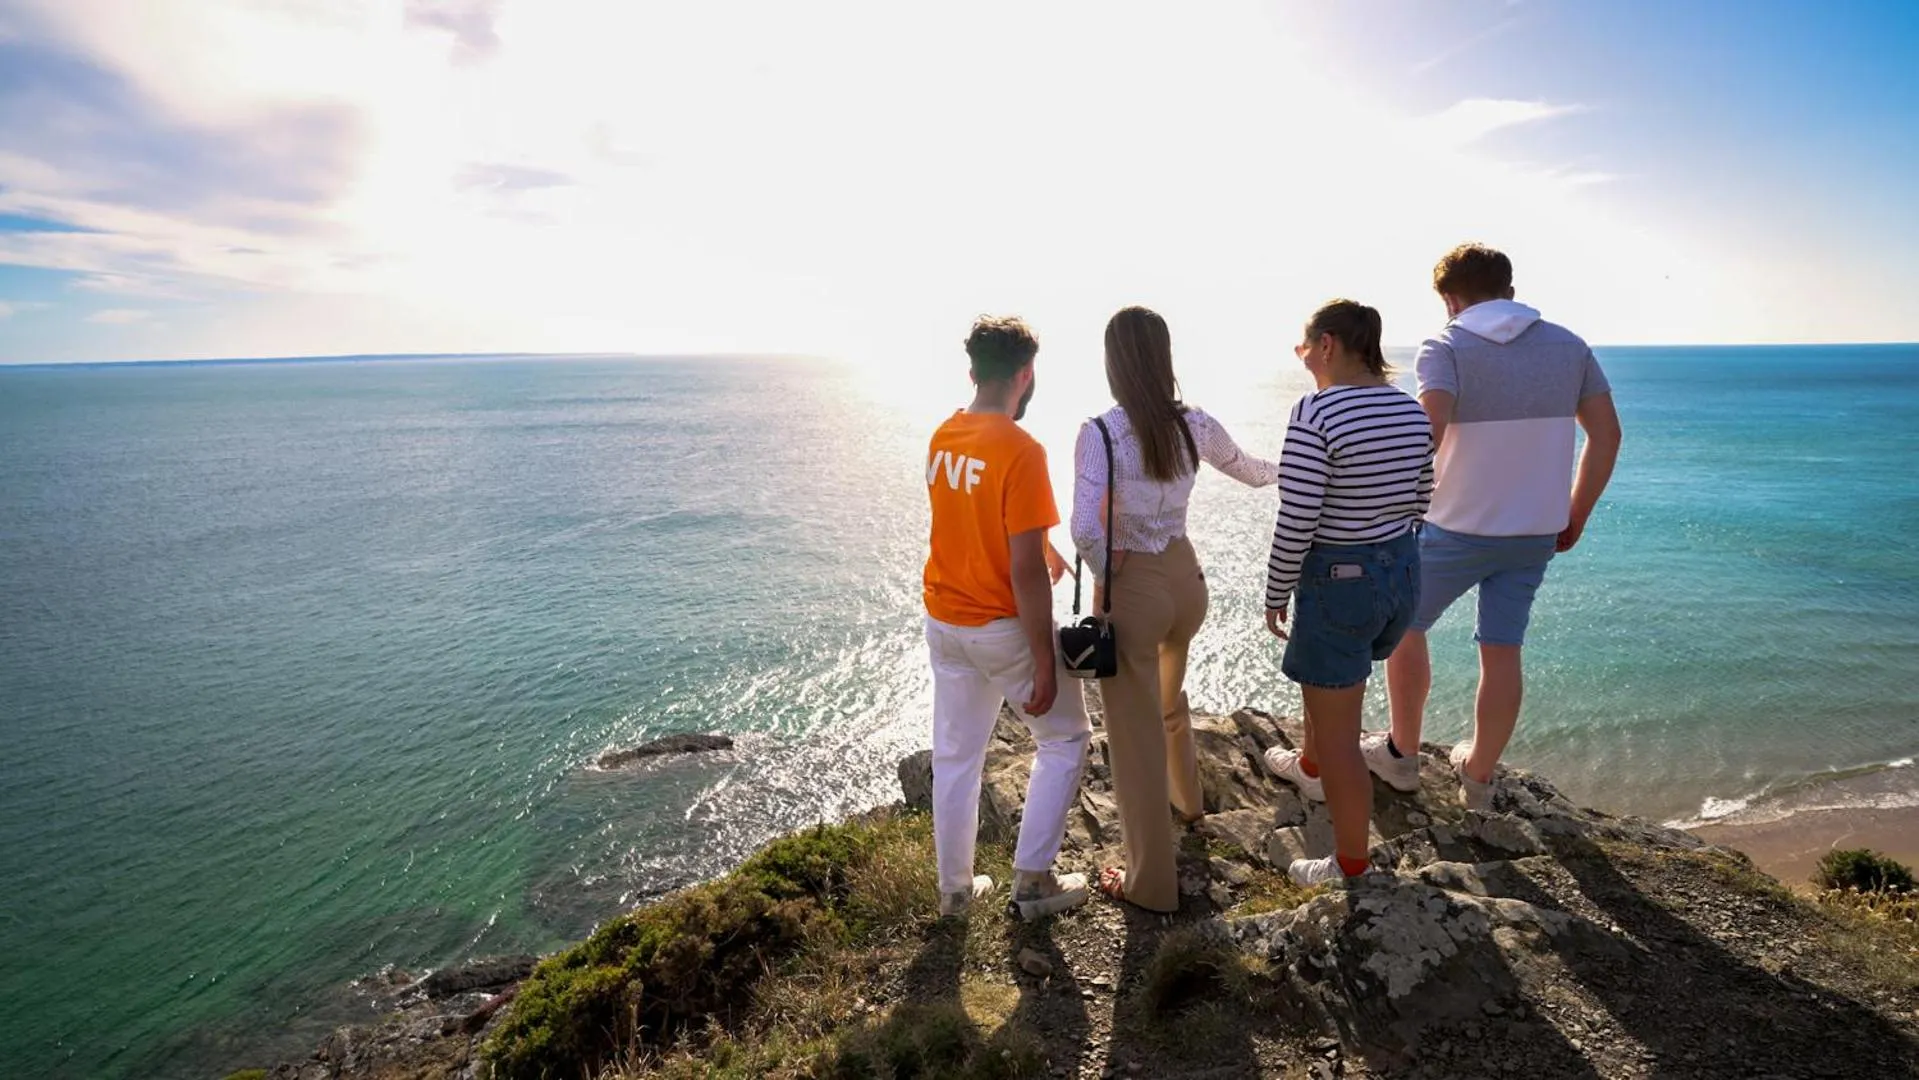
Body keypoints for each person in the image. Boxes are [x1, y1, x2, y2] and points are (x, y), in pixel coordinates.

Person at [1369, 244, 1622, 810]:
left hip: (1454, 524)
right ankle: (1479, 778)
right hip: (1535, 530)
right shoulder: (1569, 345)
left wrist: (1386, 507)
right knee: (1503, 648)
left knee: (1406, 628)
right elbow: (1607, 437)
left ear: (1449, 298)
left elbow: (1425, 434)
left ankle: (1401, 756)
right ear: (1509, 289)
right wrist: (1574, 512)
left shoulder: (1446, 344)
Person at [1072, 305, 1278, 912]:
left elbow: (1086, 529)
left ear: (1113, 363)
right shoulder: (1197, 425)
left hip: (1135, 585)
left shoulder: (1101, 433)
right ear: (1164, 358)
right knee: (1170, 702)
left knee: (1132, 741)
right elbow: (1253, 472)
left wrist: (1109, 578)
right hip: (1187, 584)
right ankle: (1190, 806)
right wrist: (1311, 462)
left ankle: (1151, 886)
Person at [922, 315, 1092, 921]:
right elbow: (1022, 575)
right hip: (1000, 626)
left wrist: (1039, 543)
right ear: (1026, 375)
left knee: (957, 758)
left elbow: (970, 517)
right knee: (1065, 738)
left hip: (945, 621)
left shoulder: (945, 436)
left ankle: (955, 893)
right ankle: (1033, 881)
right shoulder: (1021, 450)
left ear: (973, 372)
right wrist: (1044, 661)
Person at [1261, 300, 1434, 886]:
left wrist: (1277, 586)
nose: (1302, 356)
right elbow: (1421, 497)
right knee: (1331, 687)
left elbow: (1299, 516)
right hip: (1401, 574)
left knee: (1340, 736)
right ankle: (1307, 766)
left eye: (1304, 345)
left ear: (1328, 345)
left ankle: (1350, 865)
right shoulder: (1411, 410)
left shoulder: (1315, 412)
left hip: (1340, 583)